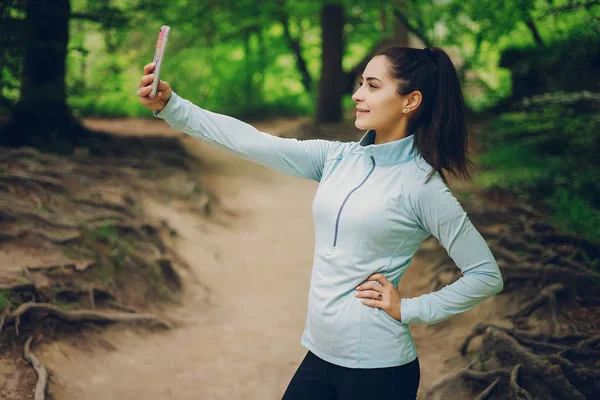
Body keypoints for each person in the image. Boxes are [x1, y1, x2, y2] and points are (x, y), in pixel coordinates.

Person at [137, 45, 504, 400]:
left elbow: (485, 275)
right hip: (321, 353)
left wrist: (409, 309)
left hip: (378, 371)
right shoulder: (337, 157)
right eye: (361, 83)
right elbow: (251, 142)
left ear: (411, 101)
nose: (358, 95)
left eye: (373, 86)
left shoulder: (422, 187)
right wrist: (172, 106)